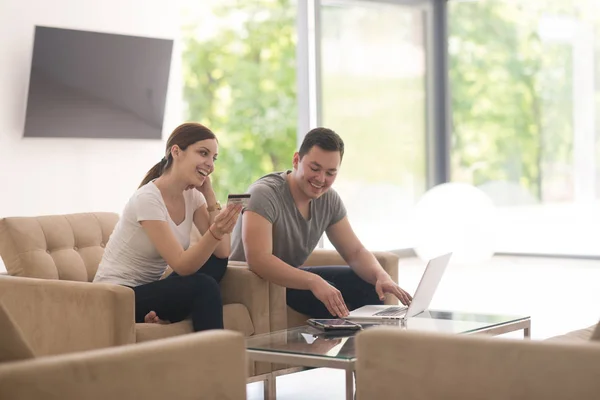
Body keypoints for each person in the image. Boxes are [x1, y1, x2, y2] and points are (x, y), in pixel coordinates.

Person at [230, 127, 412, 319]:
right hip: (253, 282)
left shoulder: (328, 199)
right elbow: (259, 260)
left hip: (290, 279)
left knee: (370, 287)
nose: (321, 179)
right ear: (296, 160)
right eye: (315, 169)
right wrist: (313, 281)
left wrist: (381, 276)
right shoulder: (264, 194)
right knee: (330, 297)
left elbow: (355, 252)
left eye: (330, 173)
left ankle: (365, 348)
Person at [94, 122, 242, 331]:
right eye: (203, 153)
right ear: (176, 152)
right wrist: (217, 230)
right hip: (117, 297)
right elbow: (182, 265)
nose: (210, 164)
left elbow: (222, 252)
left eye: (213, 158)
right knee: (203, 286)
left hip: (148, 291)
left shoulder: (193, 196)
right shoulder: (147, 198)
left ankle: (163, 317)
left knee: (216, 263)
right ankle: (213, 359)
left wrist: (209, 195)